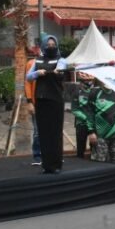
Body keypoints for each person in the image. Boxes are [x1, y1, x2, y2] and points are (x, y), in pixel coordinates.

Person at [26, 35, 67, 174]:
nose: (51, 46)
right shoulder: (37, 61)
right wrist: (38, 72)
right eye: (48, 44)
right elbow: (28, 77)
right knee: (43, 133)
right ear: (43, 46)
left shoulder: (61, 60)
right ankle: (46, 165)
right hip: (41, 100)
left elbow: (62, 69)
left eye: (53, 44)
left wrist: (57, 71)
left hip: (55, 100)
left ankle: (56, 165)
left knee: (55, 133)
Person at [85, 80, 115, 166]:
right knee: (100, 162)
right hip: (100, 135)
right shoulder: (95, 93)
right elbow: (89, 114)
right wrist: (91, 132)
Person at [70, 71, 95, 159]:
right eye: (86, 81)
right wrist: (87, 118)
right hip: (81, 123)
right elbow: (74, 109)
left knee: (95, 148)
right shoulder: (77, 92)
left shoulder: (95, 91)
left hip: (95, 124)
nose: (89, 83)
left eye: (90, 80)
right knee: (81, 149)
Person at [24, 57, 42, 166]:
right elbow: (27, 82)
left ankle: (52, 154)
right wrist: (29, 101)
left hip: (50, 102)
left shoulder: (56, 61)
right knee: (37, 131)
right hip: (36, 102)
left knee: (52, 131)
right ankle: (37, 155)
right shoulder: (32, 63)